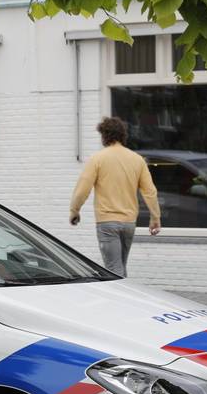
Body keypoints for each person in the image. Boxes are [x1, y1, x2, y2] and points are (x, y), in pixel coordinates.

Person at [69, 117, 161, 277]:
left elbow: (82, 189)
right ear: (122, 135)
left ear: (105, 135)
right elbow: (150, 191)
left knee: (113, 270)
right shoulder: (137, 159)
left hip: (107, 223)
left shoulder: (98, 159)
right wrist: (155, 217)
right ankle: (126, 299)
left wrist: (74, 210)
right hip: (129, 224)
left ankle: (121, 301)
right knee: (121, 268)